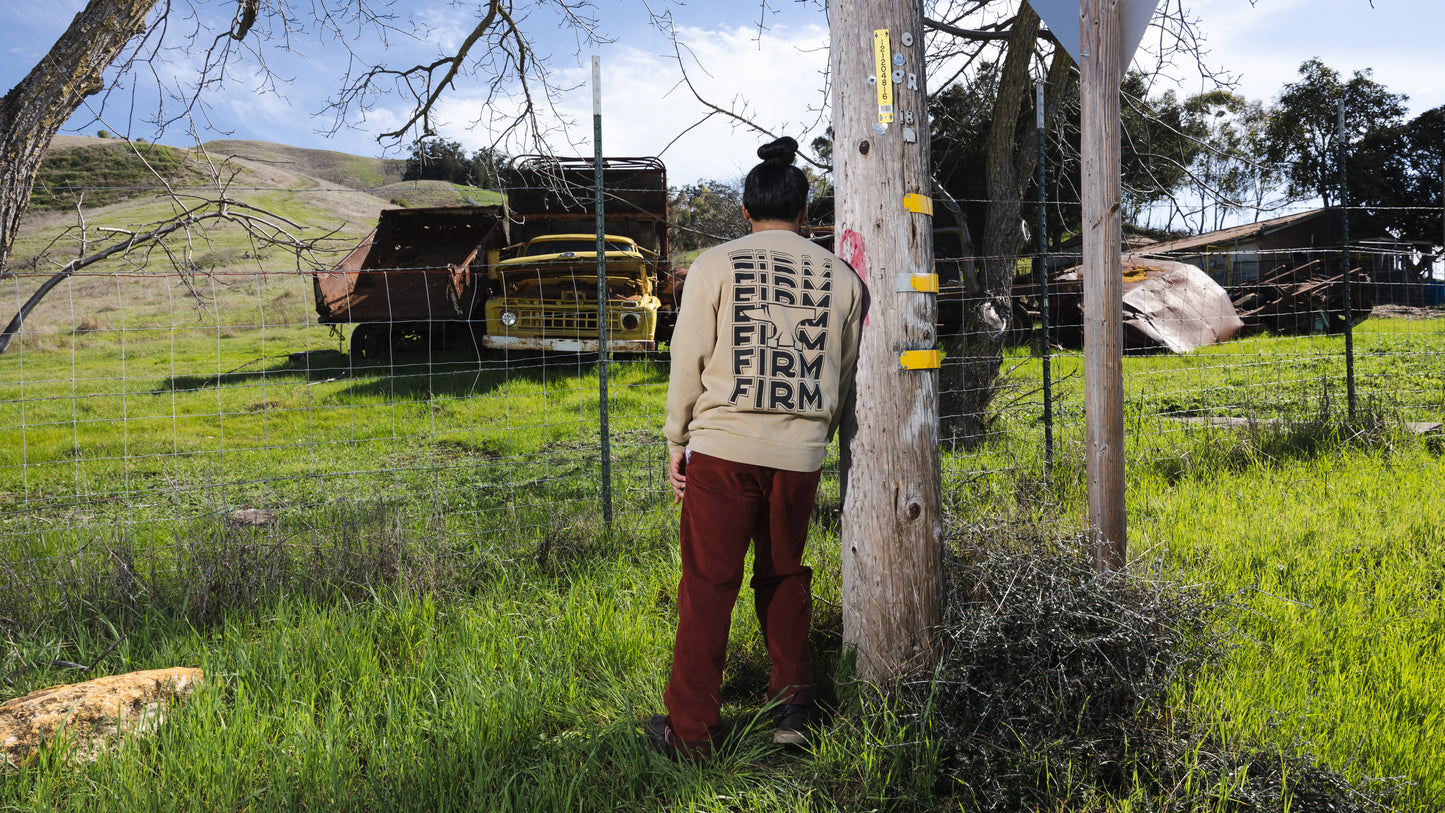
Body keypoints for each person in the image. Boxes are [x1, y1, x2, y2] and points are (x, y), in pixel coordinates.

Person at [645, 136, 866, 759]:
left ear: (745, 211)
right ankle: (794, 706)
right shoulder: (842, 278)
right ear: (805, 211)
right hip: (800, 455)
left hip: (723, 447)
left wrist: (676, 437)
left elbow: (687, 359)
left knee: (709, 585)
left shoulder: (715, 265)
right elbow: (842, 374)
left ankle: (691, 733)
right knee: (785, 573)